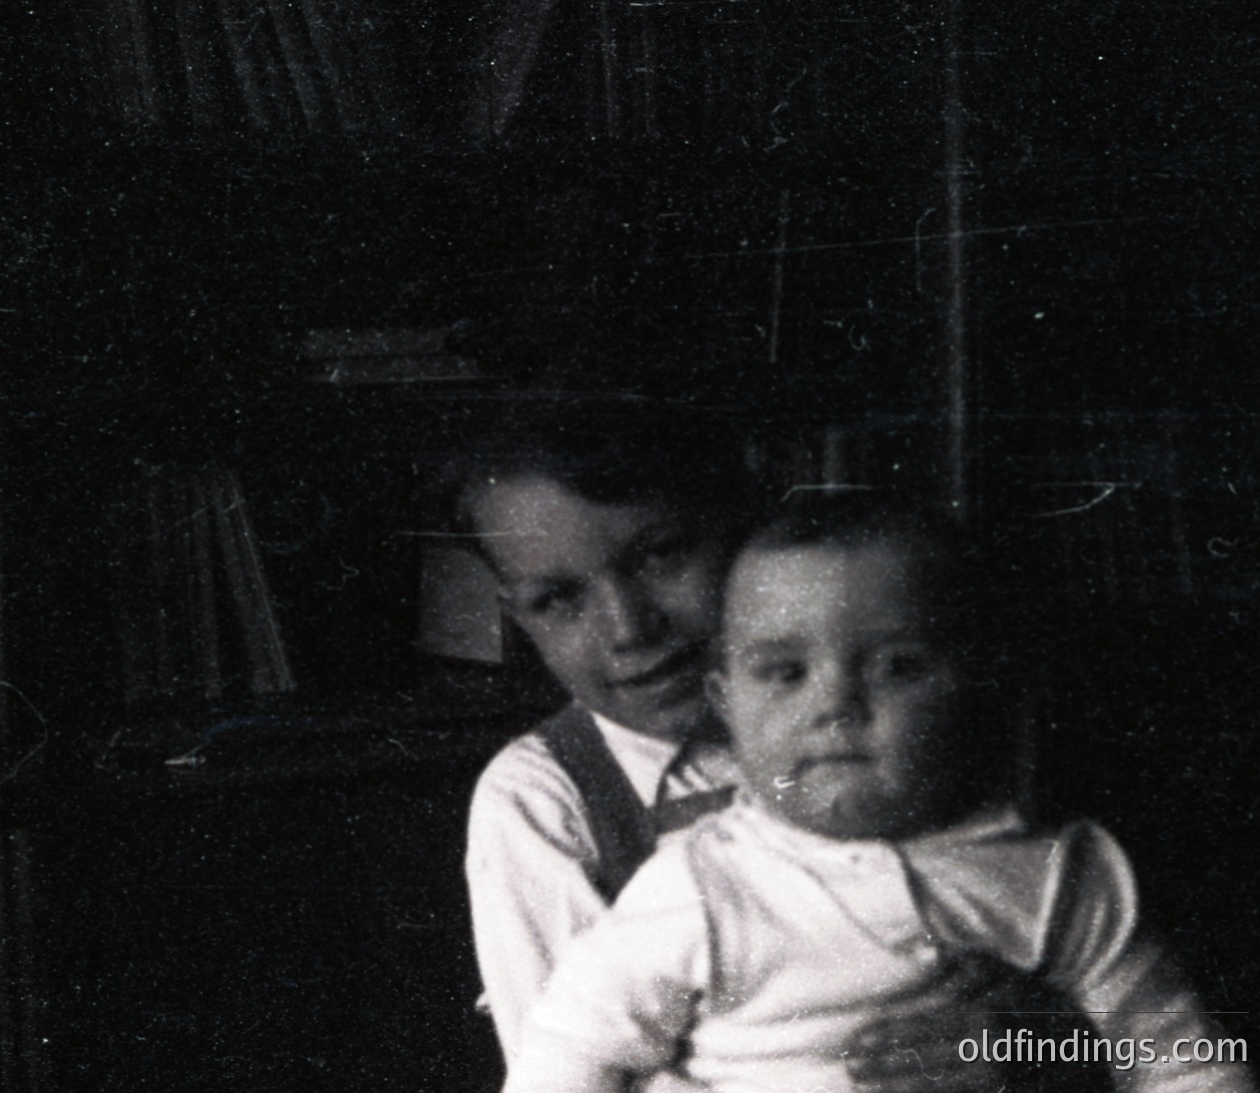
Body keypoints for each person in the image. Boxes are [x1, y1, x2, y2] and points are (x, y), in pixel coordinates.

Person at [502, 497, 1254, 1093]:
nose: (836, 704)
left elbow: (1182, 1054)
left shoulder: (1059, 866)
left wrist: (1048, 1045)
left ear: (977, 686)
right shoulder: (695, 887)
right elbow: (565, 1057)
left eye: (897, 665)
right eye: (784, 672)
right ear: (726, 704)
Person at [456, 406, 1064, 1093]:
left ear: (747, 530)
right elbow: (567, 1065)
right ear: (516, 618)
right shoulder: (542, 800)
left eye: (661, 554)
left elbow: (1098, 983)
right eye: (560, 597)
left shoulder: (917, 731)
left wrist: (1050, 1040)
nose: (628, 627)